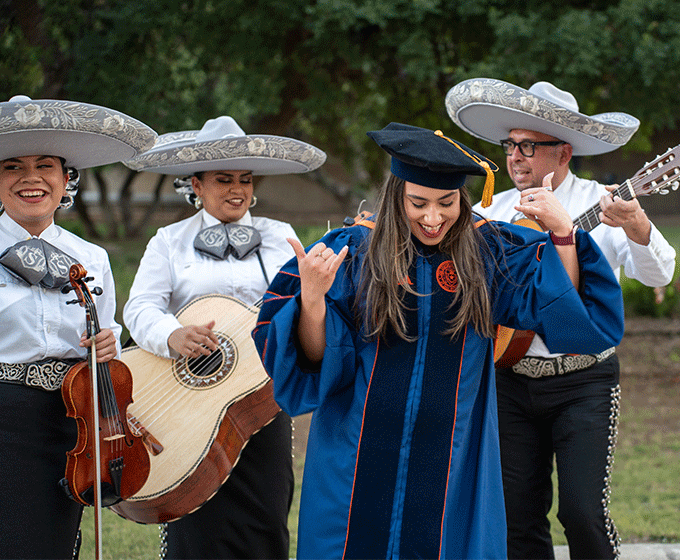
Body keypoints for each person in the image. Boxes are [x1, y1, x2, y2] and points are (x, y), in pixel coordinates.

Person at [251, 122, 626, 560]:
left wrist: (562, 233)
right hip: (355, 462)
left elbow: (562, 310)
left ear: (462, 200)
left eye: (446, 203)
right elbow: (315, 359)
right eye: (419, 203)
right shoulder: (354, 252)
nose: (433, 218)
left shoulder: (487, 253)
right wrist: (312, 298)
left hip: (451, 463)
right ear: (396, 197)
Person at [446, 78, 677, 559]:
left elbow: (661, 270)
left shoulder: (603, 203)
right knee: (517, 514)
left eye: (528, 146)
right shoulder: (495, 210)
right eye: (510, 145)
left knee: (582, 512)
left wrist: (637, 224)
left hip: (584, 381)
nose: (514, 157)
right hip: (509, 378)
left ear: (564, 153)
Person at [122, 115, 327, 560]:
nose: (237, 190)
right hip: (191, 405)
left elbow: (299, 306)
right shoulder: (168, 241)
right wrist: (172, 335)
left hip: (260, 400)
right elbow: (139, 308)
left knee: (266, 515)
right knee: (197, 532)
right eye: (222, 179)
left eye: (245, 179)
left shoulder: (281, 238)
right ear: (195, 184)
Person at [0, 94, 156, 559]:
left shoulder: (92, 258)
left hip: (70, 419)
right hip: (3, 413)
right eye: (12, 166)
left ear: (66, 179)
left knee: (53, 540)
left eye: (45, 165)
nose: (31, 178)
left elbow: (107, 335)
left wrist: (109, 344)